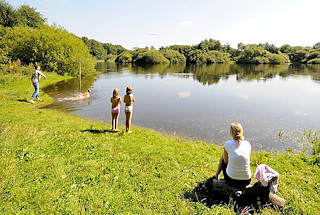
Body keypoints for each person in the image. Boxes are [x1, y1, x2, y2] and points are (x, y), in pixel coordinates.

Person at [214, 122, 251, 188]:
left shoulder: (227, 144)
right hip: (247, 181)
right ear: (242, 131)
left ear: (231, 132)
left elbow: (225, 162)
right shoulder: (247, 144)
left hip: (232, 181)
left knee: (223, 157)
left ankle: (217, 175)